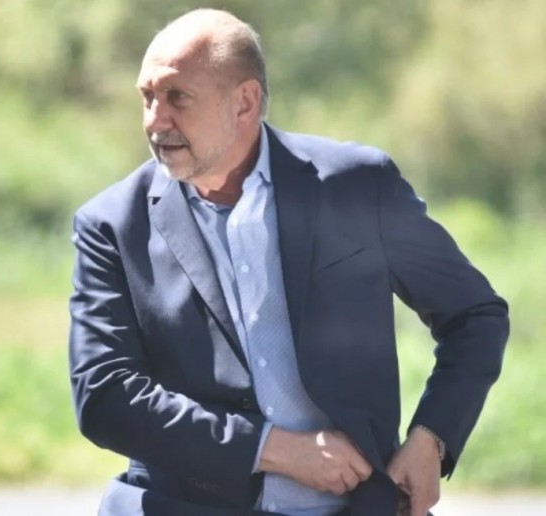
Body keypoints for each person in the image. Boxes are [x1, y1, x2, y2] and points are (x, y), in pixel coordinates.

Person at [67, 9, 508, 516]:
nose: (155, 119)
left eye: (177, 97)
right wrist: (271, 449)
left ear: (245, 102)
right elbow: (104, 395)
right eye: (147, 97)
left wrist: (431, 439)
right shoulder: (111, 224)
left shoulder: (356, 186)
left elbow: (475, 315)